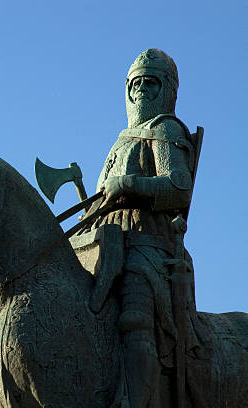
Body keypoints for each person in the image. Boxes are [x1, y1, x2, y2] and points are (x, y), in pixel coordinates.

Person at [82, 49, 208, 407]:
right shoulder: (119, 142)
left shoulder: (164, 129)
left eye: (149, 83)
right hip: (107, 242)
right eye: (135, 84)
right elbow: (101, 199)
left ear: (166, 89)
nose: (141, 91)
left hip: (147, 245)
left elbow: (179, 186)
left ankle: (137, 400)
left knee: (135, 314)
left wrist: (131, 185)